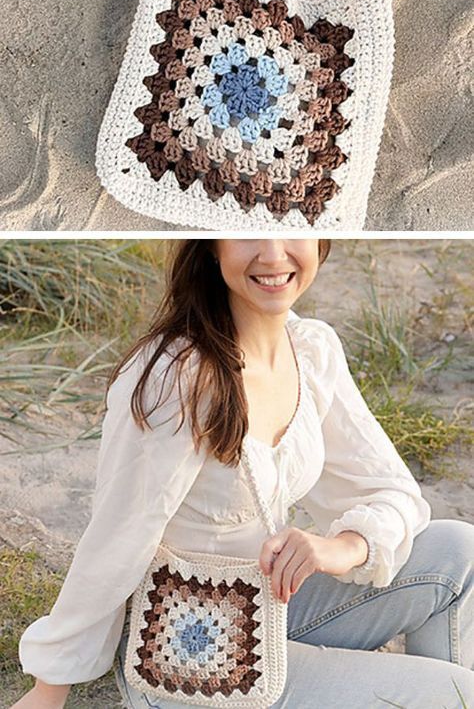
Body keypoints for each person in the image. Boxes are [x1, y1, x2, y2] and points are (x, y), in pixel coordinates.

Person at [13, 239, 474, 709]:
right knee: (456, 695)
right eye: (248, 233)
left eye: (290, 229)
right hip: (186, 645)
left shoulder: (309, 349)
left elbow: (391, 489)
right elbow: (116, 540)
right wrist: (50, 688)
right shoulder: (177, 377)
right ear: (212, 245)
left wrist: (341, 547)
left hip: (266, 603)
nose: (273, 255)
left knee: (460, 553)